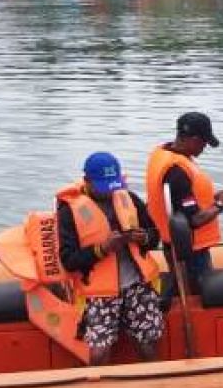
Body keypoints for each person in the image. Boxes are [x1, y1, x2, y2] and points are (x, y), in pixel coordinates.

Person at [57, 152, 163, 366]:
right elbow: (68, 260)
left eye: (113, 185)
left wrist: (144, 237)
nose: (109, 192)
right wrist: (102, 249)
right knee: (99, 353)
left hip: (137, 285)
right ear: (87, 181)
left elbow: (155, 236)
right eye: (103, 187)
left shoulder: (130, 199)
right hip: (98, 293)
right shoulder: (69, 212)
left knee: (147, 344)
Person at [145, 112, 223, 293]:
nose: (204, 148)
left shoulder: (161, 154)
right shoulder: (177, 171)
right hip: (190, 251)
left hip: (172, 243)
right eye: (204, 143)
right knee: (198, 296)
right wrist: (220, 205)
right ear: (194, 139)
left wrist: (214, 197)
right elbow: (193, 220)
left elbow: (179, 201)